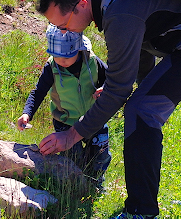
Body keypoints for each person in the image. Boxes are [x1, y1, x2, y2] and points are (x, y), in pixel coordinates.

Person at [34, 0, 181, 219]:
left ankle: (142, 214)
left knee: (144, 111)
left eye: (63, 24)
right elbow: (142, 43)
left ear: (81, 5)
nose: (64, 31)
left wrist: (71, 136)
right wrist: (130, 86)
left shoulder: (117, 11)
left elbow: (118, 88)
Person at [17, 25, 111, 186]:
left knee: (99, 154)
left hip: (93, 118)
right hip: (65, 122)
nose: (61, 61)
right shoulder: (52, 67)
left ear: (79, 49)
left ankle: (96, 183)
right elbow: (38, 92)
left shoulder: (93, 62)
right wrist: (27, 113)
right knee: (73, 158)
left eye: (66, 56)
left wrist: (105, 88)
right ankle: (74, 185)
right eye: (56, 56)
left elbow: (111, 79)